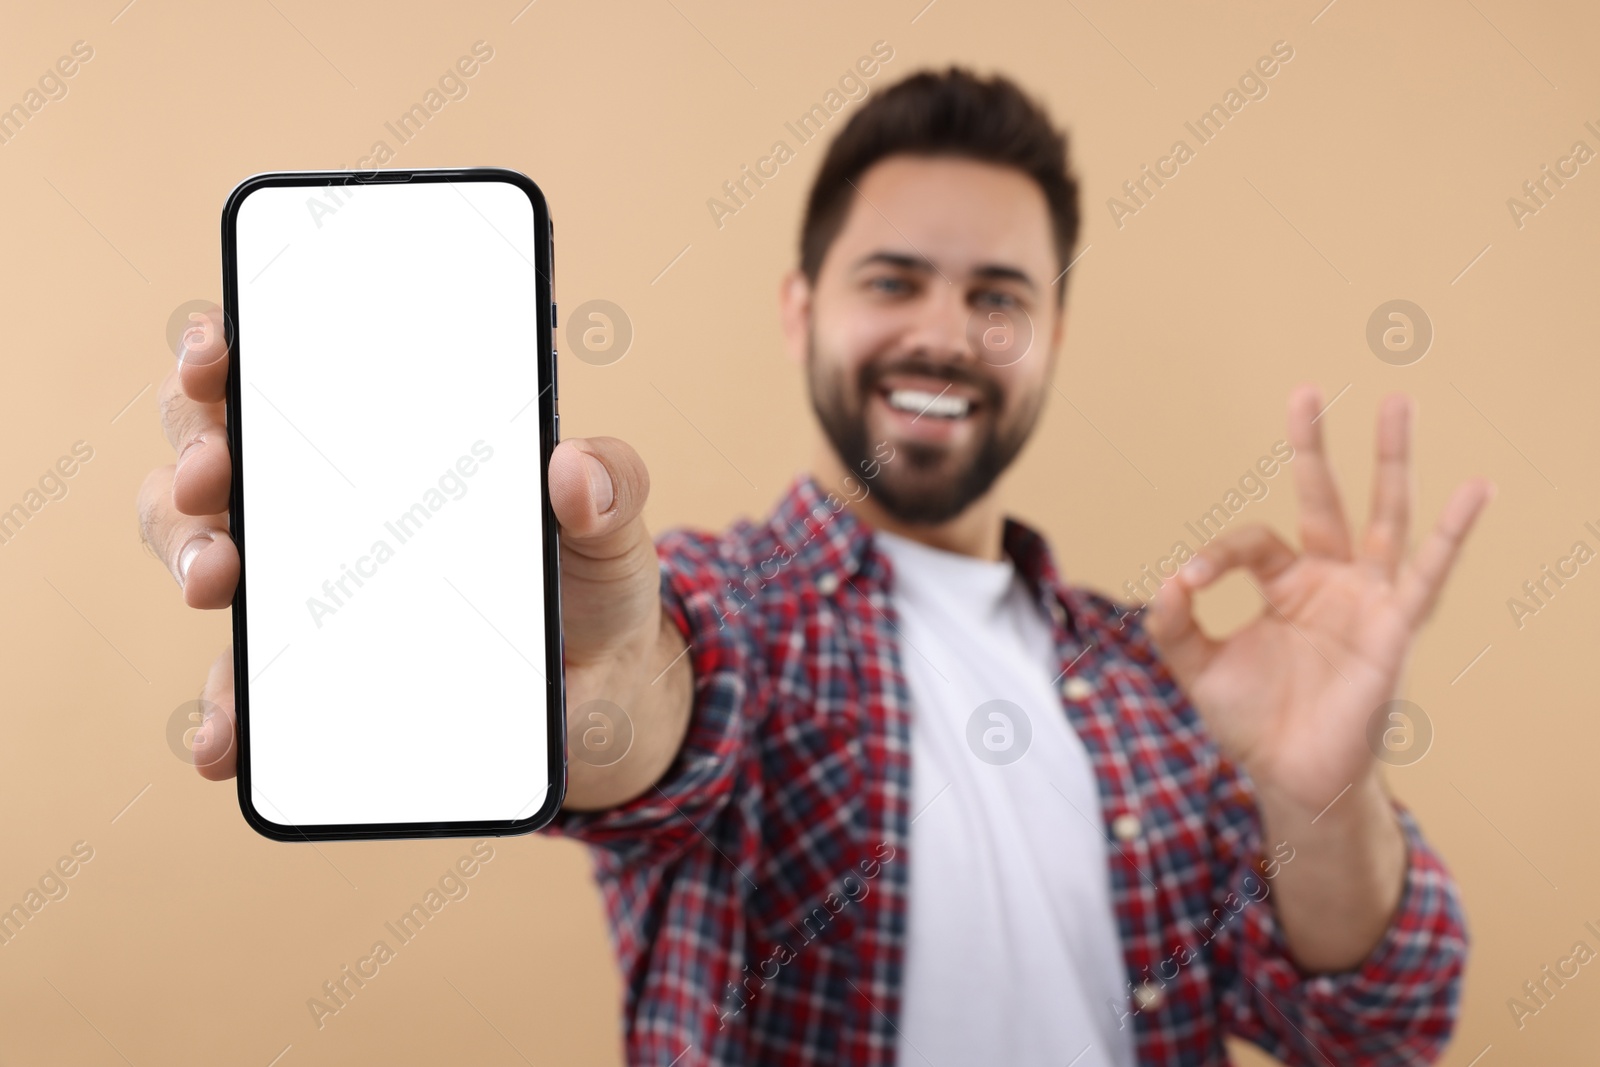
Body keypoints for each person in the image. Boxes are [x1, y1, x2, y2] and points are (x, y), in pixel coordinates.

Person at [139, 68, 1492, 1066]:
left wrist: (1321, 793)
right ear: (804, 310)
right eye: (893, 280)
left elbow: (1378, 1032)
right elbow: (654, 710)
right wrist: (593, 680)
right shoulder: (736, 603)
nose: (946, 334)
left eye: (998, 297)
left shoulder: (1176, 675)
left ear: (1053, 334)